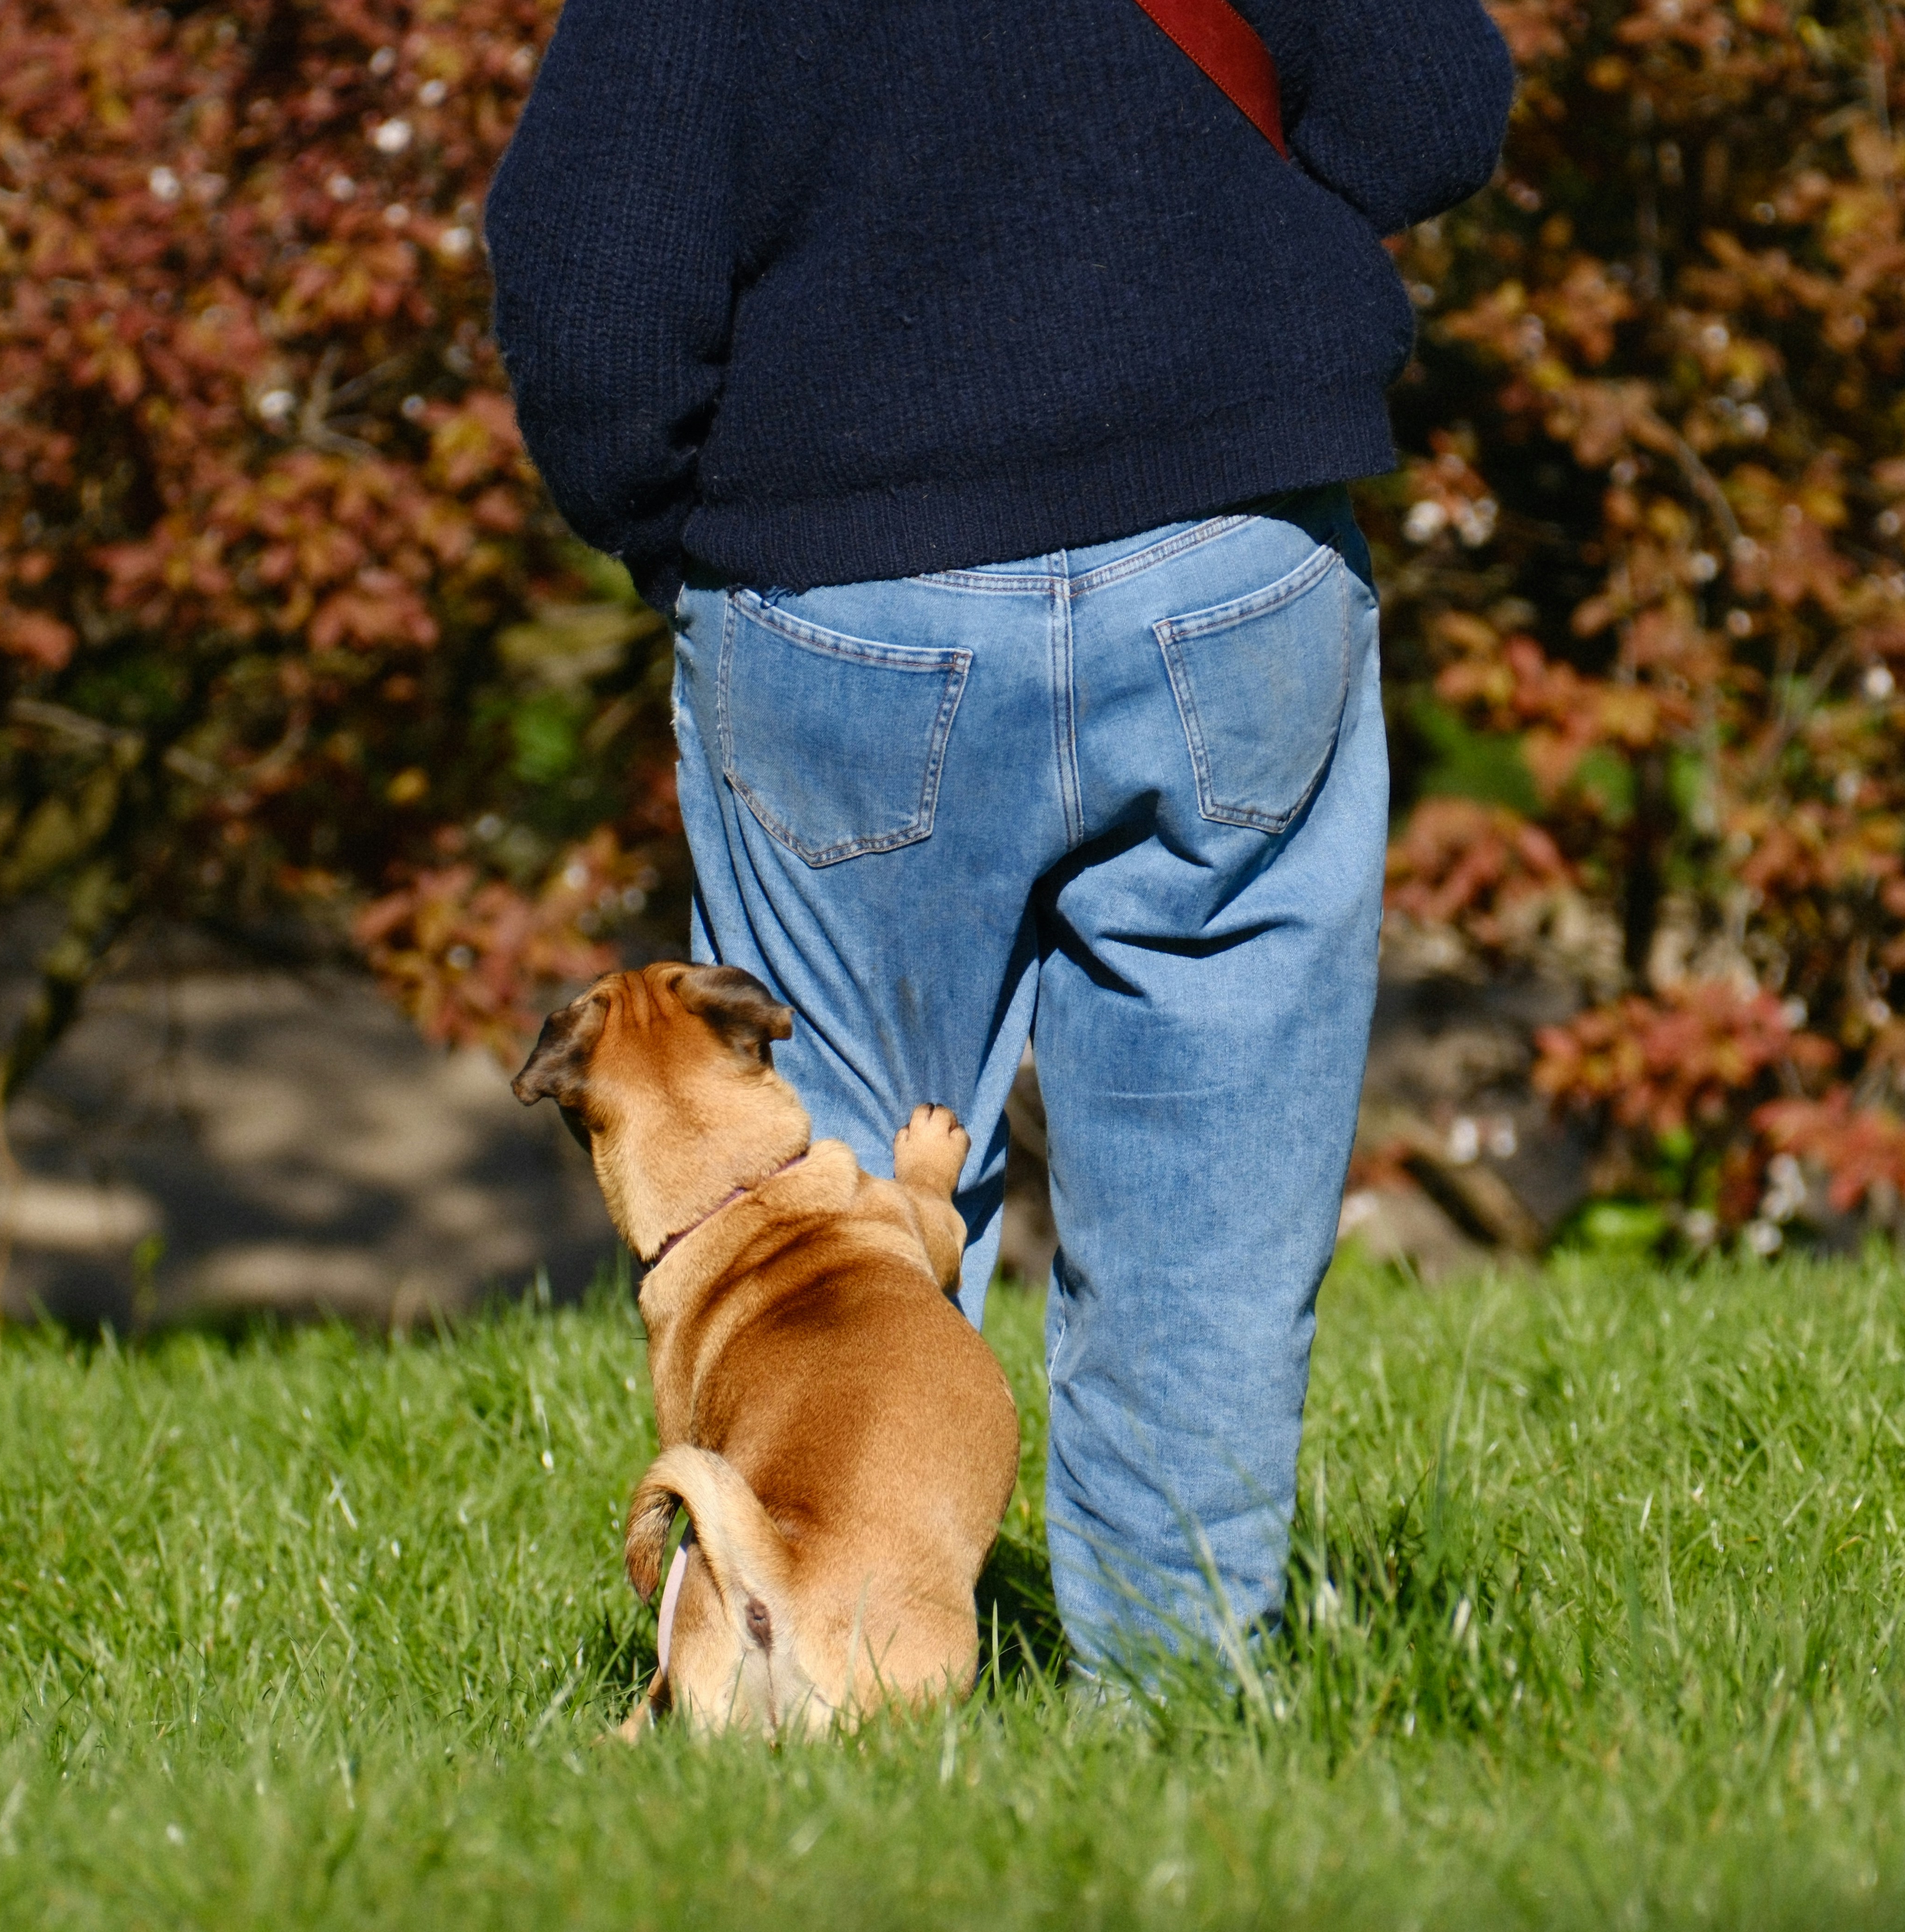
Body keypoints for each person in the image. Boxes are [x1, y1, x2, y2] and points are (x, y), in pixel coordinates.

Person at [485, 0, 1515, 1680]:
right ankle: (1185, 1725)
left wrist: (708, 544)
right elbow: (1426, 113)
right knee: (1211, 1226)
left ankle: (820, 1708)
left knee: (828, 1222)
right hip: (1233, 564)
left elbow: (594, 284)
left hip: (841, 595)